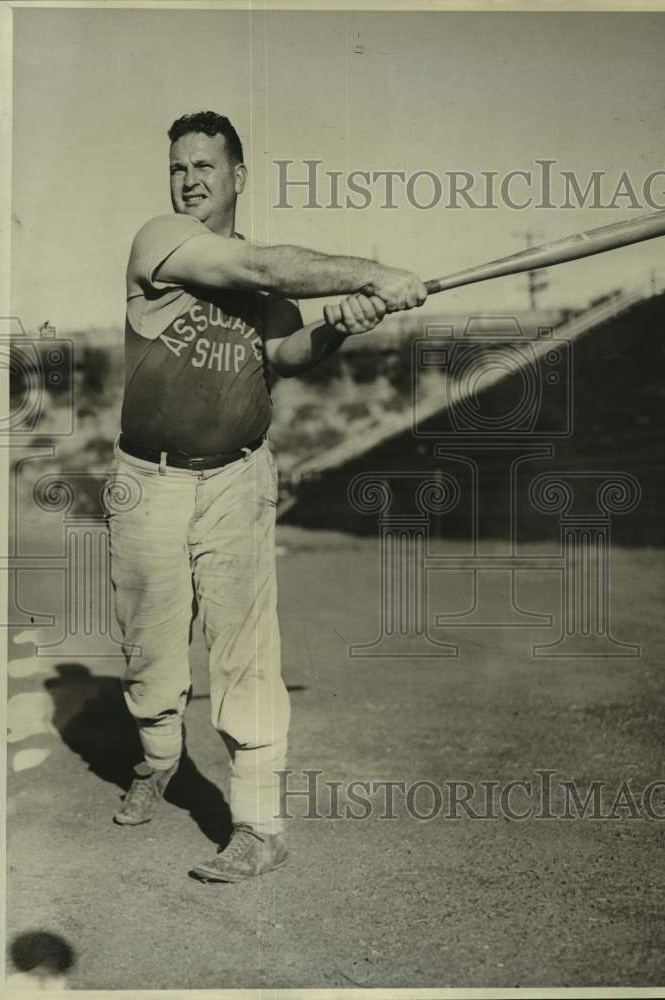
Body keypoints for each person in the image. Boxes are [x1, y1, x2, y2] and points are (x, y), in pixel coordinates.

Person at [106, 110, 426, 882]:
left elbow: (286, 352)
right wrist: (367, 272)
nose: (188, 180)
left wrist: (348, 322)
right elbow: (261, 275)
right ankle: (158, 759)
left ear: (237, 177)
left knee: (246, 649)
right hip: (148, 478)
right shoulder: (163, 241)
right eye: (179, 167)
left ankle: (256, 824)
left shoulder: (259, 267)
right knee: (149, 655)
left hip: (238, 477)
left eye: (204, 167)